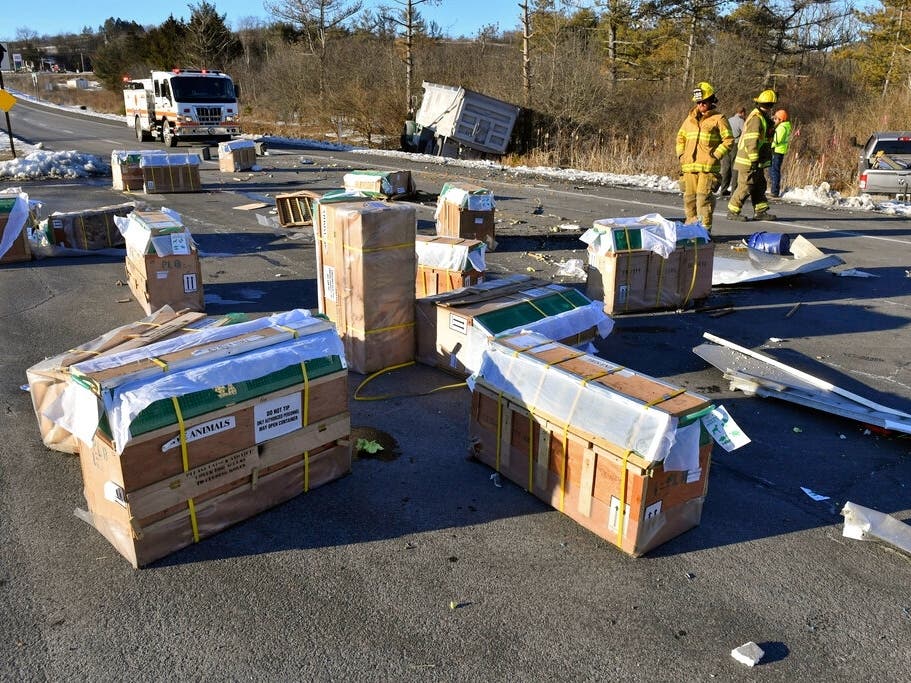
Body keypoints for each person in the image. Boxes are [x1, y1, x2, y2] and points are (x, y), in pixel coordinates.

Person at [675, 81, 735, 233]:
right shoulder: (689, 120)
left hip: (707, 169)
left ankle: (704, 232)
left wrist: (716, 155)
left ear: (712, 101)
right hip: (689, 167)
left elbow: (729, 140)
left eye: (704, 101)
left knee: (703, 200)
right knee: (689, 200)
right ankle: (690, 230)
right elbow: (680, 138)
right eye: (699, 102)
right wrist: (681, 155)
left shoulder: (719, 119)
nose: (701, 104)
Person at [727, 89, 778, 222]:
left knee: (759, 184)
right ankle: (733, 211)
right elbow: (751, 141)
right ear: (770, 105)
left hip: (756, 160)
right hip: (748, 161)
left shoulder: (761, 117)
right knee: (745, 185)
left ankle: (760, 211)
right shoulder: (756, 118)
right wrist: (754, 160)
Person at [718, 107, 746, 196]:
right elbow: (745, 133)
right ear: (742, 113)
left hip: (726, 145)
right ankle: (734, 191)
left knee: (726, 168)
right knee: (735, 168)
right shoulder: (741, 121)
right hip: (735, 145)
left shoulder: (729, 120)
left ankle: (723, 189)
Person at [769, 108, 792, 198]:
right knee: (774, 170)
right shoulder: (784, 126)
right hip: (779, 150)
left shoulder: (782, 127)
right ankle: (774, 190)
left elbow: (777, 140)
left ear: (780, 119)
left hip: (777, 150)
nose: (774, 120)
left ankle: (774, 191)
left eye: (776, 119)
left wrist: (769, 144)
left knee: (774, 171)